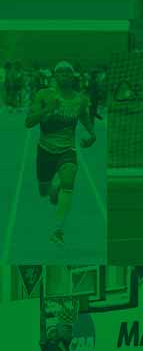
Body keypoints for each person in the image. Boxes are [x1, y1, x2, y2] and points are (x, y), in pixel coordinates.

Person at [23, 61, 96, 247]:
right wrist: (48, 110)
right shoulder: (44, 95)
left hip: (67, 150)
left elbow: (84, 117)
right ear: (55, 76)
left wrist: (92, 134)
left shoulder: (80, 99)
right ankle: (53, 190)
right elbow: (28, 122)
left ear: (73, 77)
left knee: (69, 183)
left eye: (68, 72)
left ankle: (58, 231)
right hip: (45, 151)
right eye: (60, 72)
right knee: (44, 191)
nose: (64, 75)